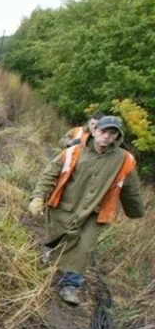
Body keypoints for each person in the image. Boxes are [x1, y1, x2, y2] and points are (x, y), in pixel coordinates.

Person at [28, 115, 146, 305]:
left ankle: (70, 286)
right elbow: (49, 175)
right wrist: (37, 197)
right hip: (64, 208)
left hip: (95, 214)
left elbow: (131, 189)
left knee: (83, 248)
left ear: (117, 137)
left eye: (112, 133)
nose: (106, 136)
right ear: (94, 131)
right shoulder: (73, 152)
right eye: (103, 131)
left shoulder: (124, 160)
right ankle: (51, 257)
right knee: (58, 239)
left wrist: (136, 211)